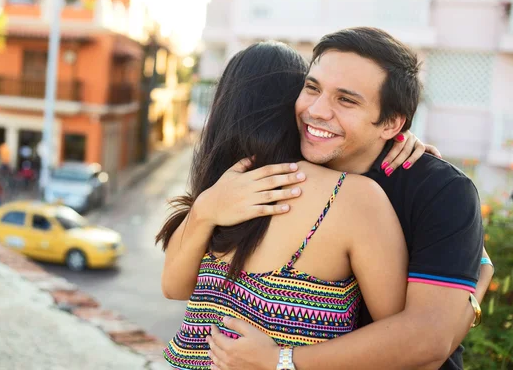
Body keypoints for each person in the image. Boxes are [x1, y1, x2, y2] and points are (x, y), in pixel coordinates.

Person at [163, 28, 493, 370]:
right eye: (312, 88)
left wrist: (280, 361)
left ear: (392, 123)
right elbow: (175, 285)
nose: (316, 111)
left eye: (346, 100)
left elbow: (425, 345)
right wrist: (205, 209)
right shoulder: (267, 177)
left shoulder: (437, 190)